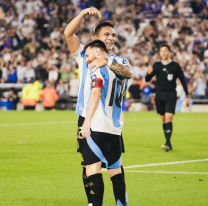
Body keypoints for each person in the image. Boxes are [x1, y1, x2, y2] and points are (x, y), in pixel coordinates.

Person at [64, 8, 132, 206]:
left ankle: (99, 203)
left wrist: (107, 61)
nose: (111, 38)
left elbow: (128, 73)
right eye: (106, 34)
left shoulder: (118, 60)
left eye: (113, 35)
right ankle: (93, 201)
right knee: (88, 164)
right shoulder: (86, 55)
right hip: (87, 117)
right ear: (96, 38)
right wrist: (83, 14)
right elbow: (68, 33)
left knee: (104, 166)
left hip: (102, 121)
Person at [81, 40, 127, 206]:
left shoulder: (97, 67)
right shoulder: (121, 63)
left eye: (88, 55)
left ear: (98, 52)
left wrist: (87, 120)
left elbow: (96, 92)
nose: (86, 59)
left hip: (98, 126)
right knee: (115, 171)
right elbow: (129, 74)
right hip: (115, 128)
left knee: (92, 169)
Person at [145, 44, 190, 151]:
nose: (163, 53)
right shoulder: (156, 65)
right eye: (161, 51)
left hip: (171, 94)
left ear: (169, 52)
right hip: (159, 95)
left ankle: (168, 143)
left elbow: (183, 81)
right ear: (159, 53)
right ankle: (167, 142)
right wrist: (148, 72)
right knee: (163, 120)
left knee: (169, 117)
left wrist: (187, 95)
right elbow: (147, 79)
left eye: (165, 51)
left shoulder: (175, 66)